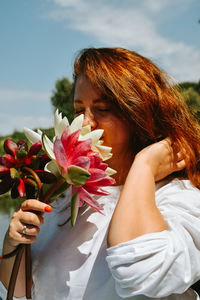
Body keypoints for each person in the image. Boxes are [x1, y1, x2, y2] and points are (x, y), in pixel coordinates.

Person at [1, 47, 200, 300]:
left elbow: (140, 273)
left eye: (102, 109)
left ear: (139, 115)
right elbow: (21, 294)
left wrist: (144, 165)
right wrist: (12, 247)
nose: (84, 123)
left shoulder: (181, 200)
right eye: (77, 110)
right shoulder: (61, 198)